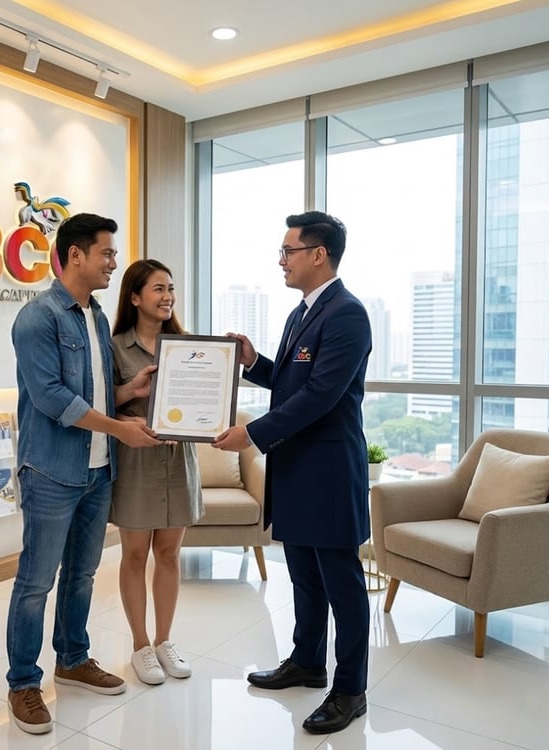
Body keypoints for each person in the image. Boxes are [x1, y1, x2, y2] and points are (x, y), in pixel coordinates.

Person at [213, 211, 372, 735]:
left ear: (318, 254)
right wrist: (253, 361)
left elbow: (321, 394)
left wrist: (251, 434)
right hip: (296, 468)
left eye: (289, 251)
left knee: (342, 585)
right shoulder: (301, 313)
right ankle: (307, 661)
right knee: (303, 575)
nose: (281, 260)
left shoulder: (347, 314)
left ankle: (350, 690)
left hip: (327, 471)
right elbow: (289, 382)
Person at [6, 213, 162, 735]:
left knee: (82, 575)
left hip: (98, 471)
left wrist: (129, 392)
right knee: (36, 583)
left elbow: (92, 396)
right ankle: (23, 683)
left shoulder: (94, 316)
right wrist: (119, 428)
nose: (114, 262)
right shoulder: (37, 318)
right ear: (76, 255)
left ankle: (72, 658)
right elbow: (52, 398)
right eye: (107, 253)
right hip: (51, 470)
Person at [110, 259, 203, 686]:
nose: (168, 297)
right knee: (134, 555)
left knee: (168, 554)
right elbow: (100, 405)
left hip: (178, 461)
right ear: (134, 297)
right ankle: (140, 646)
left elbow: (204, 399)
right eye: (158, 289)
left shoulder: (188, 347)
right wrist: (131, 401)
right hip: (136, 463)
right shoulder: (114, 347)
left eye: (171, 289)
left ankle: (165, 641)